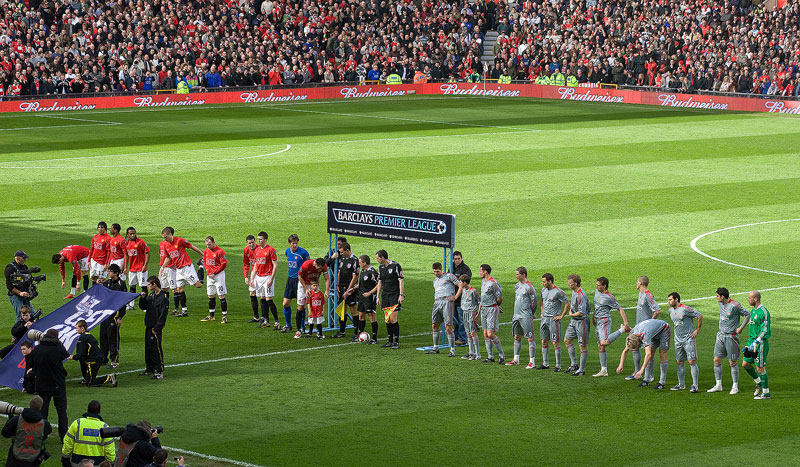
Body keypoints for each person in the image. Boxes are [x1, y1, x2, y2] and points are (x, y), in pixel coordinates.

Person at [28, 329, 69, 440]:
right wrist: (59, 343)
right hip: (58, 384)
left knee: (43, 412)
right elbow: (66, 354)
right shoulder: (59, 349)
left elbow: (30, 365)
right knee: (61, 412)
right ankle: (63, 436)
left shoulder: (37, 350)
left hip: (42, 385)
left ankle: (42, 435)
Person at [708, 287, 750, 394]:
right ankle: (718, 385)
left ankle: (735, 386)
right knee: (716, 360)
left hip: (731, 337)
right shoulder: (720, 303)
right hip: (720, 335)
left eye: (717, 295)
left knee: (732, 362)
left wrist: (741, 328)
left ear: (723, 296)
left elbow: (747, 314)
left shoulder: (735, 305)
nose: (716, 297)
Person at [160, 227, 203, 317]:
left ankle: (201, 266)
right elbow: (168, 257)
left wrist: (203, 254)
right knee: (179, 290)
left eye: (165, 237)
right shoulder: (166, 245)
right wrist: (163, 267)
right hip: (178, 270)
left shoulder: (180, 241)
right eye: (163, 237)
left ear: (170, 234)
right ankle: (184, 311)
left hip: (187, 267)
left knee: (199, 285)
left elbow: (191, 247)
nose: (164, 239)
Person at [616, 319, 671, 389]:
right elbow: (625, 350)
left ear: (638, 341)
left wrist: (641, 370)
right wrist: (621, 364)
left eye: (636, 346)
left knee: (662, 353)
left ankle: (662, 382)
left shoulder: (644, 336)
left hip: (664, 329)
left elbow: (648, 354)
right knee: (652, 352)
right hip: (653, 331)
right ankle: (647, 380)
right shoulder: (631, 336)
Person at [625, 276, 661, 382]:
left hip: (647, 330)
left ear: (640, 283)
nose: (636, 284)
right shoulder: (640, 294)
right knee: (634, 347)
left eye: (637, 282)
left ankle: (649, 375)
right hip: (638, 327)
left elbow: (657, 310)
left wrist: (649, 323)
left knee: (649, 352)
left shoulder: (648, 295)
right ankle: (637, 372)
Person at [592, 277, 629, 377]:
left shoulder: (609, 297)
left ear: (604, 286)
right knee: (600, 346)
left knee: (604, 342)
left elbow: (620, 309)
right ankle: (604, 370)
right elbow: (596, 306)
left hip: (604, 321)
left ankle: (621, 329)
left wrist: (626, 323)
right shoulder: (596, 291)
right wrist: (593, 317)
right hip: (598, 321)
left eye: (598, 285)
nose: (597, 286)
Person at [1, 395, 52, 467]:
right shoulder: (45, 424)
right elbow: (47, 433)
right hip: (33, 460)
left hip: (14, 459)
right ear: (40, 408)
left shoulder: (16, 420)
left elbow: (5, 434)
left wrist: (10, 420)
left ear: (29, 405)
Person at [61, 400, 115, 466]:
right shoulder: (104, 427)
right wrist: (111, 463)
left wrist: (65, 459)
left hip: (77, 463)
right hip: (97, 464)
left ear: (87, 410)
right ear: (99, 411)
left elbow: (68, 443)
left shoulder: (77, 423)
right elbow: (109, 449)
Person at [667, 292, 702, 392]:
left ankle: (695, 385)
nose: (668, 302)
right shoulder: (670, 310)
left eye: (670, 299)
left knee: (692, 361)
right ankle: (681, 384)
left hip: (688, 339)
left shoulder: (685, 309)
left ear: (676, 299)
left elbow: (699, 316)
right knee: (679, 362)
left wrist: (697, 330)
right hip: (677, 340)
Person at [67, 320, 117, 387]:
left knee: (90, 383)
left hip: (93, 360)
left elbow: (81, 352)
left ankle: (109, 378)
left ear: (82, 328)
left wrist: (73, 357)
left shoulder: (83, 338)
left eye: (77, 328)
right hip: (96, 358)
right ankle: (87, 378)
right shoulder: (88, 335)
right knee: (82, 361)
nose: (76, 330)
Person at [425, 262, 459, 356]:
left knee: (448, 326)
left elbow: (460, 285)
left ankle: (452, 350)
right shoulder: (435, 281)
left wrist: (455, 297)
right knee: (435, 325)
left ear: (441, 270)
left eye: (438, 271)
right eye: (434, 271)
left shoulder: (449, 276)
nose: (436, 273)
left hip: (447, 302)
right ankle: (435, 347)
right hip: (437, 303)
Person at [505, 267, 537, 368]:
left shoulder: (529, 287)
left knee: (530, 338)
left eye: (518, 274)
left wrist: (532, 312)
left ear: (523, 275)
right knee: (517, 337)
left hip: (526, 316)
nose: (516, 276)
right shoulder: (517, 286)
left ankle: (532, 361)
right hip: (516, 316)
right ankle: (516, 359)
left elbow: (534, 302)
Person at [138, 276, 169, 379]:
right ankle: (149, 368)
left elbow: (163, 315)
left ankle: (159, 371)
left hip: (155, 327)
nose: (148, 286)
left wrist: (156, 328)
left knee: (155, 348)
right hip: (148, 325)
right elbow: (143, 307)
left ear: (154, 284)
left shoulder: (163, 297)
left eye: (149, 284)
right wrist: (142, 299)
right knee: (148, 348)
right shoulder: (151, 295)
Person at [743, 290, 771, 400]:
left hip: (760, 343)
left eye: (750, 298)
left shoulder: (763, 312)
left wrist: (756, 342)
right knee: (745, 364)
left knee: (760, 368)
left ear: (756, 299)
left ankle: (766, 393)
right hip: (751, 341)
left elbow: (765, 330)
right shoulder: (753, 310)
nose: (748, 299)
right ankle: (758, 383)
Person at [249, 231, 279, 329]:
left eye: (260, 239)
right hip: (259, 277)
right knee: (262, 298)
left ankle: (276, 322)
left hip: (267, 276)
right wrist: (252, 278)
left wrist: (271, 278)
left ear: (265, 239)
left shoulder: (271, 250)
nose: (259, 241)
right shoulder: (257, 250)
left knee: (269, 299)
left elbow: (275, 265)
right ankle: (266, 320)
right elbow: (256, 265)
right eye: (258, 239)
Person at [539, 273, 569, 371]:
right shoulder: (543, 290)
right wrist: (542, 311)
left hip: (553, 320)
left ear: (550, 281)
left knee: (555, 342)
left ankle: (558, 366)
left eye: (544, 281)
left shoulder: (558, 292)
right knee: (544, 341)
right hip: (544, 319)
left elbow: (567, 304)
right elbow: (542, 301)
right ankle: (545, 363)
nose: (543, 283)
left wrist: (561, 316)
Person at [281, 234, 310, 332]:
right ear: (290, 243)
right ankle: (288, 325)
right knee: (285, 303)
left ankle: (302, 327)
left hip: (300, 280)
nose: (295, 245)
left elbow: (308, 265)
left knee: (301, 305)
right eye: (293, 243)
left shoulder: (303, 253)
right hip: (290, 280)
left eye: (296, 243)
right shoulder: (287, 252)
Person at [376, 250, 404, 349]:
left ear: (382, 257)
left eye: (377, 258)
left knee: (393, 319)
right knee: (387, 319)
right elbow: (379, 282)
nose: (377, 260)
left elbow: (401, 280)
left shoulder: (396, 266)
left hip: (394, 295)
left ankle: (396, 341)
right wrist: (378, 296)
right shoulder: (381, 268)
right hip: (385, 296)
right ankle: (390, 341)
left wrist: (401, 295)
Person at [100, 265, 126, 369]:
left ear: (116, 273)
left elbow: (123, 301)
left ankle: (114, 361)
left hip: (114, 316)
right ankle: (103, 359)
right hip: (105, 315)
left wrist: (120, 317)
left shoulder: (121, 284)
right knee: (103, 338)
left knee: (113, 339)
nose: (109, 273)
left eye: (110, 271)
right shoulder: (107, 283)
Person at [297, 258, 330, 338]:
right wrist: (306, 289)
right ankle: (299, 329)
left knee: (316, 305)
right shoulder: (306, 265)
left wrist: (326, 290)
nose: (320, 270)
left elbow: (327, 279)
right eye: (319, 268)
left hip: (314, 285)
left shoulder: (323, 266)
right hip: (304, 284)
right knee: (300, 306)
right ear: (315, 264)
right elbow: (299, 276)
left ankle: (318, 331)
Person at [564, 274, 590, 376]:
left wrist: (571, 314)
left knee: (582, 346)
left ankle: (581, 370)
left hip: (581, 322)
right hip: (573, 321)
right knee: (567, 340)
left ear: (576, 283)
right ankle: (574, 364)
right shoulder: (574, 292)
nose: (569, 284)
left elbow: (581, 312)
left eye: (570, 283)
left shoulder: (580, 295)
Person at [479, 264, 505, 364]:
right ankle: (490, 356)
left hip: (491, 309)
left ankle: (502, 354)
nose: (480, 272)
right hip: (484, 309)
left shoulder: (493, 283)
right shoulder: (483, 281)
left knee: (490, 334)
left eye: (481, 271)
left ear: (485, 271)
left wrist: (496, 306)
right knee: (485, 333)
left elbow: (499, 297)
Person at [334, 243, 360, 340]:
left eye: (342, 252)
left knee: (353, 309)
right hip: (341, 287)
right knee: (342, 309)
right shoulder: (343, 259)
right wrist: (337, 285)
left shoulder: (355, 261)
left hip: (350, 289)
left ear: (347, 250)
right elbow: (339, 272)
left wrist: (349, 290)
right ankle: (342, 331)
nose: (341, 254)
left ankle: (355, 332)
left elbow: (355, 277)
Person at [201, 236, 228, 324]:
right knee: (211, 295)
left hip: (218, 276)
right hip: (210, 276)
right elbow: (204, 261)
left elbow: (223, 264)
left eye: (209, 244)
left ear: (213, 242)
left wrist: (214, 272)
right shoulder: (206, 251)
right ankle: (211, 315)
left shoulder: (220, 252)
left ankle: (224, 316)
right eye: (207, 245)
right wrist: (207, 270)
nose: (208, 246)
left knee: (221, 295)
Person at [125, 227, 150, 308]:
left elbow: (147, 253)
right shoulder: (126, 243)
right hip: (132, 269)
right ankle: (131, 305)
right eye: (131, 234)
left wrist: (145, 265)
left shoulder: (141, 242)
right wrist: (125, 267)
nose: (133, 235)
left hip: (141, 269)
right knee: (132, 286)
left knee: (143, 286)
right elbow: (126, 255)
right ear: (127, 234)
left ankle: (145, 305)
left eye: (134, 233)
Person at [457, 275, 481, 360]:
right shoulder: (463, 290)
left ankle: (477, 353)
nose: (459, 283)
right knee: (468, 333)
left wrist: (478, 314)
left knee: (473, 333)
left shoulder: (473, 291)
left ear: (465, 282)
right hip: (465, 312)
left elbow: (480, 301)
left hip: (472, 313)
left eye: (460, 282)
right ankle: (471, 352)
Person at [356, 255, 379, 344]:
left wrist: (370, 293)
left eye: (360, 262)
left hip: (369, 298)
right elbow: (361, 283)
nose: (359, 264)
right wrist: (354, 288)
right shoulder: (363, 270)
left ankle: (374, 338)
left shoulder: (372, 272)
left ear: (365, 263)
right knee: (361, 315)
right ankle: (360, 334)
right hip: (361, 297)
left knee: (371, 316)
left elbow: (379, 285)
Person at [451, 252, 471, 346]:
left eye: (459, 258)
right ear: (453, 259)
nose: (457, 260)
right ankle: (456, 337)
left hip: (462, 299)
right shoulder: (451, 268)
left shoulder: (466, 269)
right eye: (455, 259)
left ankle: (463, 338)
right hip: (453, 297)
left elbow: (465, 284)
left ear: (461, 259)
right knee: (454, 320)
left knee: (462, 319)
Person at [5, 250, 32, 320]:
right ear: (17, 258)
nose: (25, 260)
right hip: (15, 296)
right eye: (24, 258)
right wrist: (20, 293)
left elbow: (27, 279)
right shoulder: (10, 268)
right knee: (21, 317)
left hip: (24, 295)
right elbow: (9, 285)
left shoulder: (24, 266)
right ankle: (17, 331)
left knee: (31, 315)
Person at [242, 235, 260, 323]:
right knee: (252, 293)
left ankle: (265, 317)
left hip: (262, 274)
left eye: (253, 242)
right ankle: (256, 317)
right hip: (254, 274)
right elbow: (246, 264)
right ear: (247, 243)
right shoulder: (246, 250)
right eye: (250, 243)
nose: (251, 244)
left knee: (264, 296)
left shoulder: (260, 249)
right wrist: (246, 276)